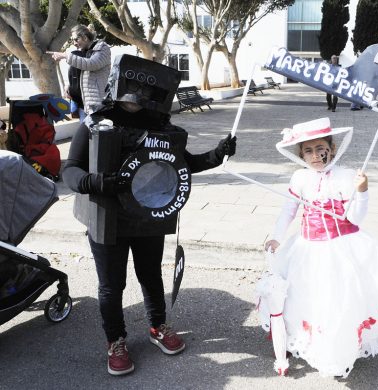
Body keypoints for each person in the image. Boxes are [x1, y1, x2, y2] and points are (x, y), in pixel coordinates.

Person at [62, 54, 237, 376]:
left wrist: (216, 155)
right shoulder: (95, 123)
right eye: (133, 86)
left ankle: (158, 326)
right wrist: (93, 181)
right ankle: (115, 340)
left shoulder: (160, 127)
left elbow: (182, 165)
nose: (138, 96)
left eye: (147, 89)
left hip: (148, 214)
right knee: (112, 285)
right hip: (106, 217)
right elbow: (69, 169)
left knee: (151, 274)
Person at [256, 117, 378, 378]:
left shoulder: (345, 177)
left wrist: (361, 191)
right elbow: (288, 211)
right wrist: (276, 236)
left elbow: (355, 218)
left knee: (339, 301)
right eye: (308, 151)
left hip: (342, 247)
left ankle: (339, 352)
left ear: (332, 147)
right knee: (308, 297)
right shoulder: (299, 178)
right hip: (307, 247)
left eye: (321, 149)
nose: (316, 156)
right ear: (301, 154)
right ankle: (311, 342)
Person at [48, 24, 111, 115]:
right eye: (72, 40)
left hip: (98, 104)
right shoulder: (84, 52)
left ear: (85, 38)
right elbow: (80, 75)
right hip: (85, 105)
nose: (74, 43)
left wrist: (65, 55)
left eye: (76, 39)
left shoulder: (102, 48)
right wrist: (69, 86)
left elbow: (91, 64)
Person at [64, 48, 86, 122]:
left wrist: (69, 91)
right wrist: (67, 88)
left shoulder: (75, 68)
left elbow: (76, 86)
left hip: (83, 104)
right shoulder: (75, 68)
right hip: (82, 104)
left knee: (85, 125)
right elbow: (73, 82)